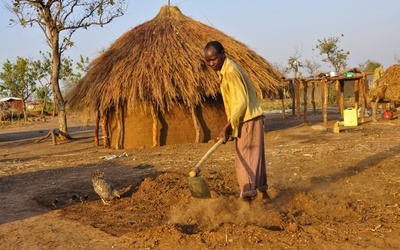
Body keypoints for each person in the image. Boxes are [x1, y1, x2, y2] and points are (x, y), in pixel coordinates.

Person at [203, 41, 269, 203]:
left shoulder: (231, 71)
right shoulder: (225, 70)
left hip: (248, 120)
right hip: (248, 119)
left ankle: (247, 202)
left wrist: (228, 126)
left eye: (214, 59)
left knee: (245, 160)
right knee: (255, 156)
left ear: (223, 53)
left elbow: (240, 103)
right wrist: (232, 125)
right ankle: (264, 194)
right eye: (208, 61)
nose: (211, 64)